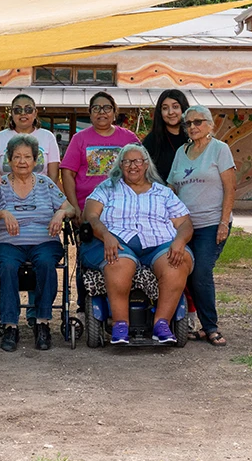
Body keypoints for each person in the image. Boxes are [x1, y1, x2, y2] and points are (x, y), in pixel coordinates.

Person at [82, 143, 194, 345]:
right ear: (120, 165)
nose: (132, 166)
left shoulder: (163, 193)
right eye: (127, 162)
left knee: (178, 260)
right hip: (118, 241)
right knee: (118, 261)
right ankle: (120, 325)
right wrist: (106, 235)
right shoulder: (107, 189)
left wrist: (179, 241)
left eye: (137, 161)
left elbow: (185, 223)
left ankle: (162, 324)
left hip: (159, 243)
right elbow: (90, 215)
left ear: (146, 165)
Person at [0, 134, 75, 352]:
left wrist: (60, 215)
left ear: (35, 161)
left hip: (44, 242)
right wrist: (2, 213)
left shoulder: (45, 183)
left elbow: (70, 208)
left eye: (27, 157)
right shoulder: (0, 184)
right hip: (8, 243)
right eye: (17, 157)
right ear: (9, 161)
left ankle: (42, 323)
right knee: (9, 266)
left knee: (46, 264)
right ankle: (10, 325)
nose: (22, 161)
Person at [168, 105, 236, 346]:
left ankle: (211, 327)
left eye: (198, 122)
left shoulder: (220, 150)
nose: (192, 127)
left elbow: (230, 188)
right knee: (181, 271)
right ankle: (185, 323)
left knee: (200, 273)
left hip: (210, 224)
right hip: (184, 226)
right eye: (188, 123)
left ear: (210, 125)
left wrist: (223, 223)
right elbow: (172, 189)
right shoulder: (181, 152)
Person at [59, 91, 140, 222]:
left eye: (107, 108)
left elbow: (142, 168)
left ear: (114, 113)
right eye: (96, 108)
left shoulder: (128, 138)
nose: (102, 112)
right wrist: (74, 207)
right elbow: (67, 173)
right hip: (86, 207)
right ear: (90, 114)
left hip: (123, 208)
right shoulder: (79, 139)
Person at [0, 93, 61, 186]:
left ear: (35, 113)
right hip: (7, 196)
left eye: (28, 109)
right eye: (17, 110)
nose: (23, 113)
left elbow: (53, 176)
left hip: (41, 196)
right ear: (12, 113)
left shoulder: (48, 137)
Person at [141, 89, 191, 182]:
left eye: (175, 107)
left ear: (183, 108)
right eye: (165, 108)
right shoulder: (152, 140)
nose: (170, 112)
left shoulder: (194, 136)